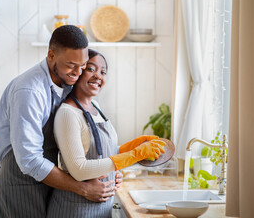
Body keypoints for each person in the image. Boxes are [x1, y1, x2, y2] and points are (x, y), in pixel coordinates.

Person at [0, 26, 120, 218]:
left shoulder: (66, 82)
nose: (78, 73)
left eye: (83, 65)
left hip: (47, 180)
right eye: (71, 65)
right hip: (19, 181)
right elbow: (29, 160)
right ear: (51, 55)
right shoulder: (30, 91)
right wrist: (82, 188)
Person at [47, 49, 166, 217]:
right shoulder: (68, 113)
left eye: (103, 72)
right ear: (78, 72)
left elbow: (102, 152)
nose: (98, 76)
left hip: (101, 208)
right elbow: (79, 169)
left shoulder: (96, 107)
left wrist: (132, 147)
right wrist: (134, 155)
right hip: (74, 209)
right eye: (91, 69)